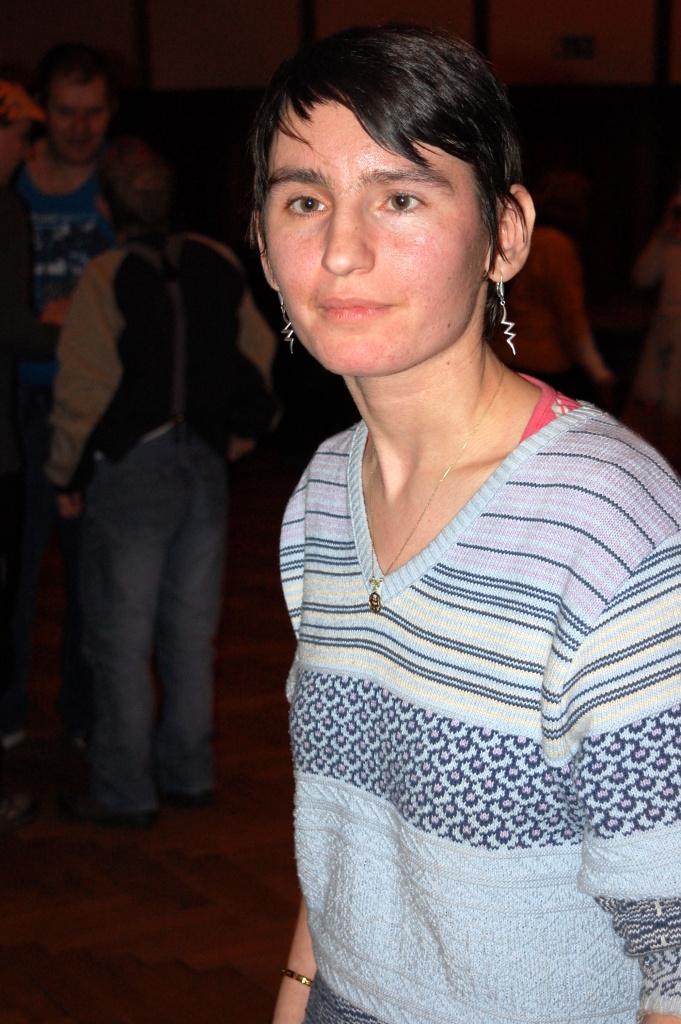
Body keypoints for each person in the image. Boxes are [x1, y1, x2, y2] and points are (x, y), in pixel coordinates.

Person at [250, 25, 681, 1024]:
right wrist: (296, 996)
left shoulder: (610, 533)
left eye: (400, 197)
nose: (342, 250)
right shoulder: (322, 494)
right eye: (304, 201)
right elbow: (348, 836)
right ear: (265, 247)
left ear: (505, 235)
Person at [47, 137, 277, 827]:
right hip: (202, 465)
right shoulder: (216, 261)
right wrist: (248, 428)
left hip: (132, 473)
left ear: (104, 205)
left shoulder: (104, 276)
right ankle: (189, 772)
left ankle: (124, 791)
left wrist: (65, 472)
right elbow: (258, 355)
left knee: (120, 640)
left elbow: (83, 389)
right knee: (189, 632)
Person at [0, 44, 116, 750]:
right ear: (43, 113)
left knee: (89, 578)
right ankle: (6, 713)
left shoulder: (120, 189)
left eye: (93, 112)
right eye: (67, 112)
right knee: (11, 578)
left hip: (89, 411)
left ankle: (82, 713)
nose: (79, 127)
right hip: (15, 409)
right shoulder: (12, 181)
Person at [0, 80, 65, 828]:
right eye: (23, 132)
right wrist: (74, 322)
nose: (30, 148)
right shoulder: (7, 207)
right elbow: (11, 328)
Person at [496, 170, 615, 406]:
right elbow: (571, 318)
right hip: (543, 362)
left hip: (507, 354)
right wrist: (601, 375)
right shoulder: (556, 246)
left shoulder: (526, 237)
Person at [623, 188, 681, 469]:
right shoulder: (669, 242)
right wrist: (666, 232)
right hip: (664, 336)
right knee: (654, 413)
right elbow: (642, 276)